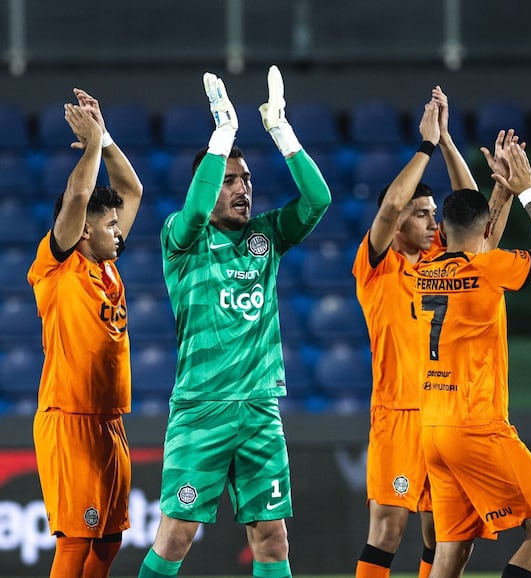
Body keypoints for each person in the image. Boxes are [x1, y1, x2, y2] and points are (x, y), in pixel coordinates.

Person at [136, 67, 331, 578]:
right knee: (176, 536)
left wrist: (280, 130)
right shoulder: (181, 239)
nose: (243, 188)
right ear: (208, 186)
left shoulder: (267, 236)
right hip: (200, 411)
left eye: (246, 179)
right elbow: (196, 212)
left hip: (260, 411)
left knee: (272, 538)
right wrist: (222, 133)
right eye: (229, 181)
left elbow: (319, 201)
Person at [352, 86, 517, 578]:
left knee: (444, 533)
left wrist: (446, 142)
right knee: (386, 531)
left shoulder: (439, 265)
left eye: (433, 216)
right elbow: (387, 210)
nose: (432, 223)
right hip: (399, 412)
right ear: (398, 218)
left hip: (443, 412)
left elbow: (476, 218)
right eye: (421, 214)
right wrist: (424, 147)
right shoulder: (376, 266)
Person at [410, 141, 531, 578]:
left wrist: (501, 193)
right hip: (476, 425)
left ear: (441, 225)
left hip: (433, 430)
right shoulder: (490, 268)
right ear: (484, 230)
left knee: (451, 550)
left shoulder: (426, 270)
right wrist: (529, 192)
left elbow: (477, 244)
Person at [27, 88, 144, 578]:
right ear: (83, 232)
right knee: (76, 540)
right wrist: (92, 145)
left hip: (108, 419)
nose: (119, 232)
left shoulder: (108, 267)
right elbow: (78, 195)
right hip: (68, 417)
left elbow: (132, 190)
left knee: (111, 539)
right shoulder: (57, 267)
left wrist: (107, 137)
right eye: (110, 225)